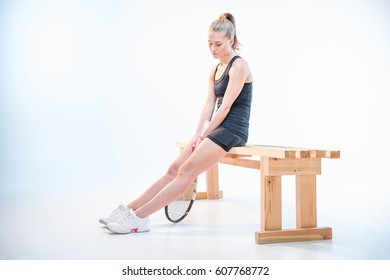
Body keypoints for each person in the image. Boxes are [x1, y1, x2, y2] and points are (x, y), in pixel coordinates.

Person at [99, 12, 253, 234]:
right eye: (209, 43)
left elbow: (226, 107)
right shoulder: (215, 70)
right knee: (174, 168)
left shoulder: (239, 66)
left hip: (233, 129)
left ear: (231, 39)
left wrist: (206, 134)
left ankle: (140, 218)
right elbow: (208, 105)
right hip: (217, 128)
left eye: (218, 44)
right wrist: (197, 134)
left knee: (186, 170)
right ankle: (129, 209)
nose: (213, 49)